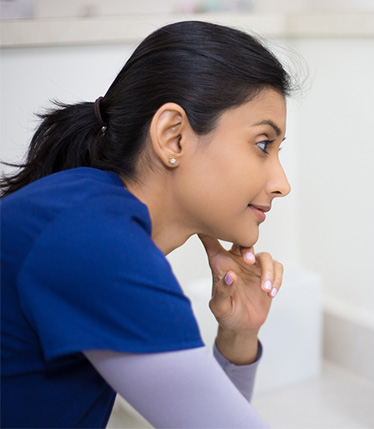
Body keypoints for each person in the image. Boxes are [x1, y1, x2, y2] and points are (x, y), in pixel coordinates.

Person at [1, 20, 293, 428]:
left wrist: (240, 333)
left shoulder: (87, 211)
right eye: (263, 144)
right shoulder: (96, 243)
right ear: (173, 137)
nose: (283, 185)